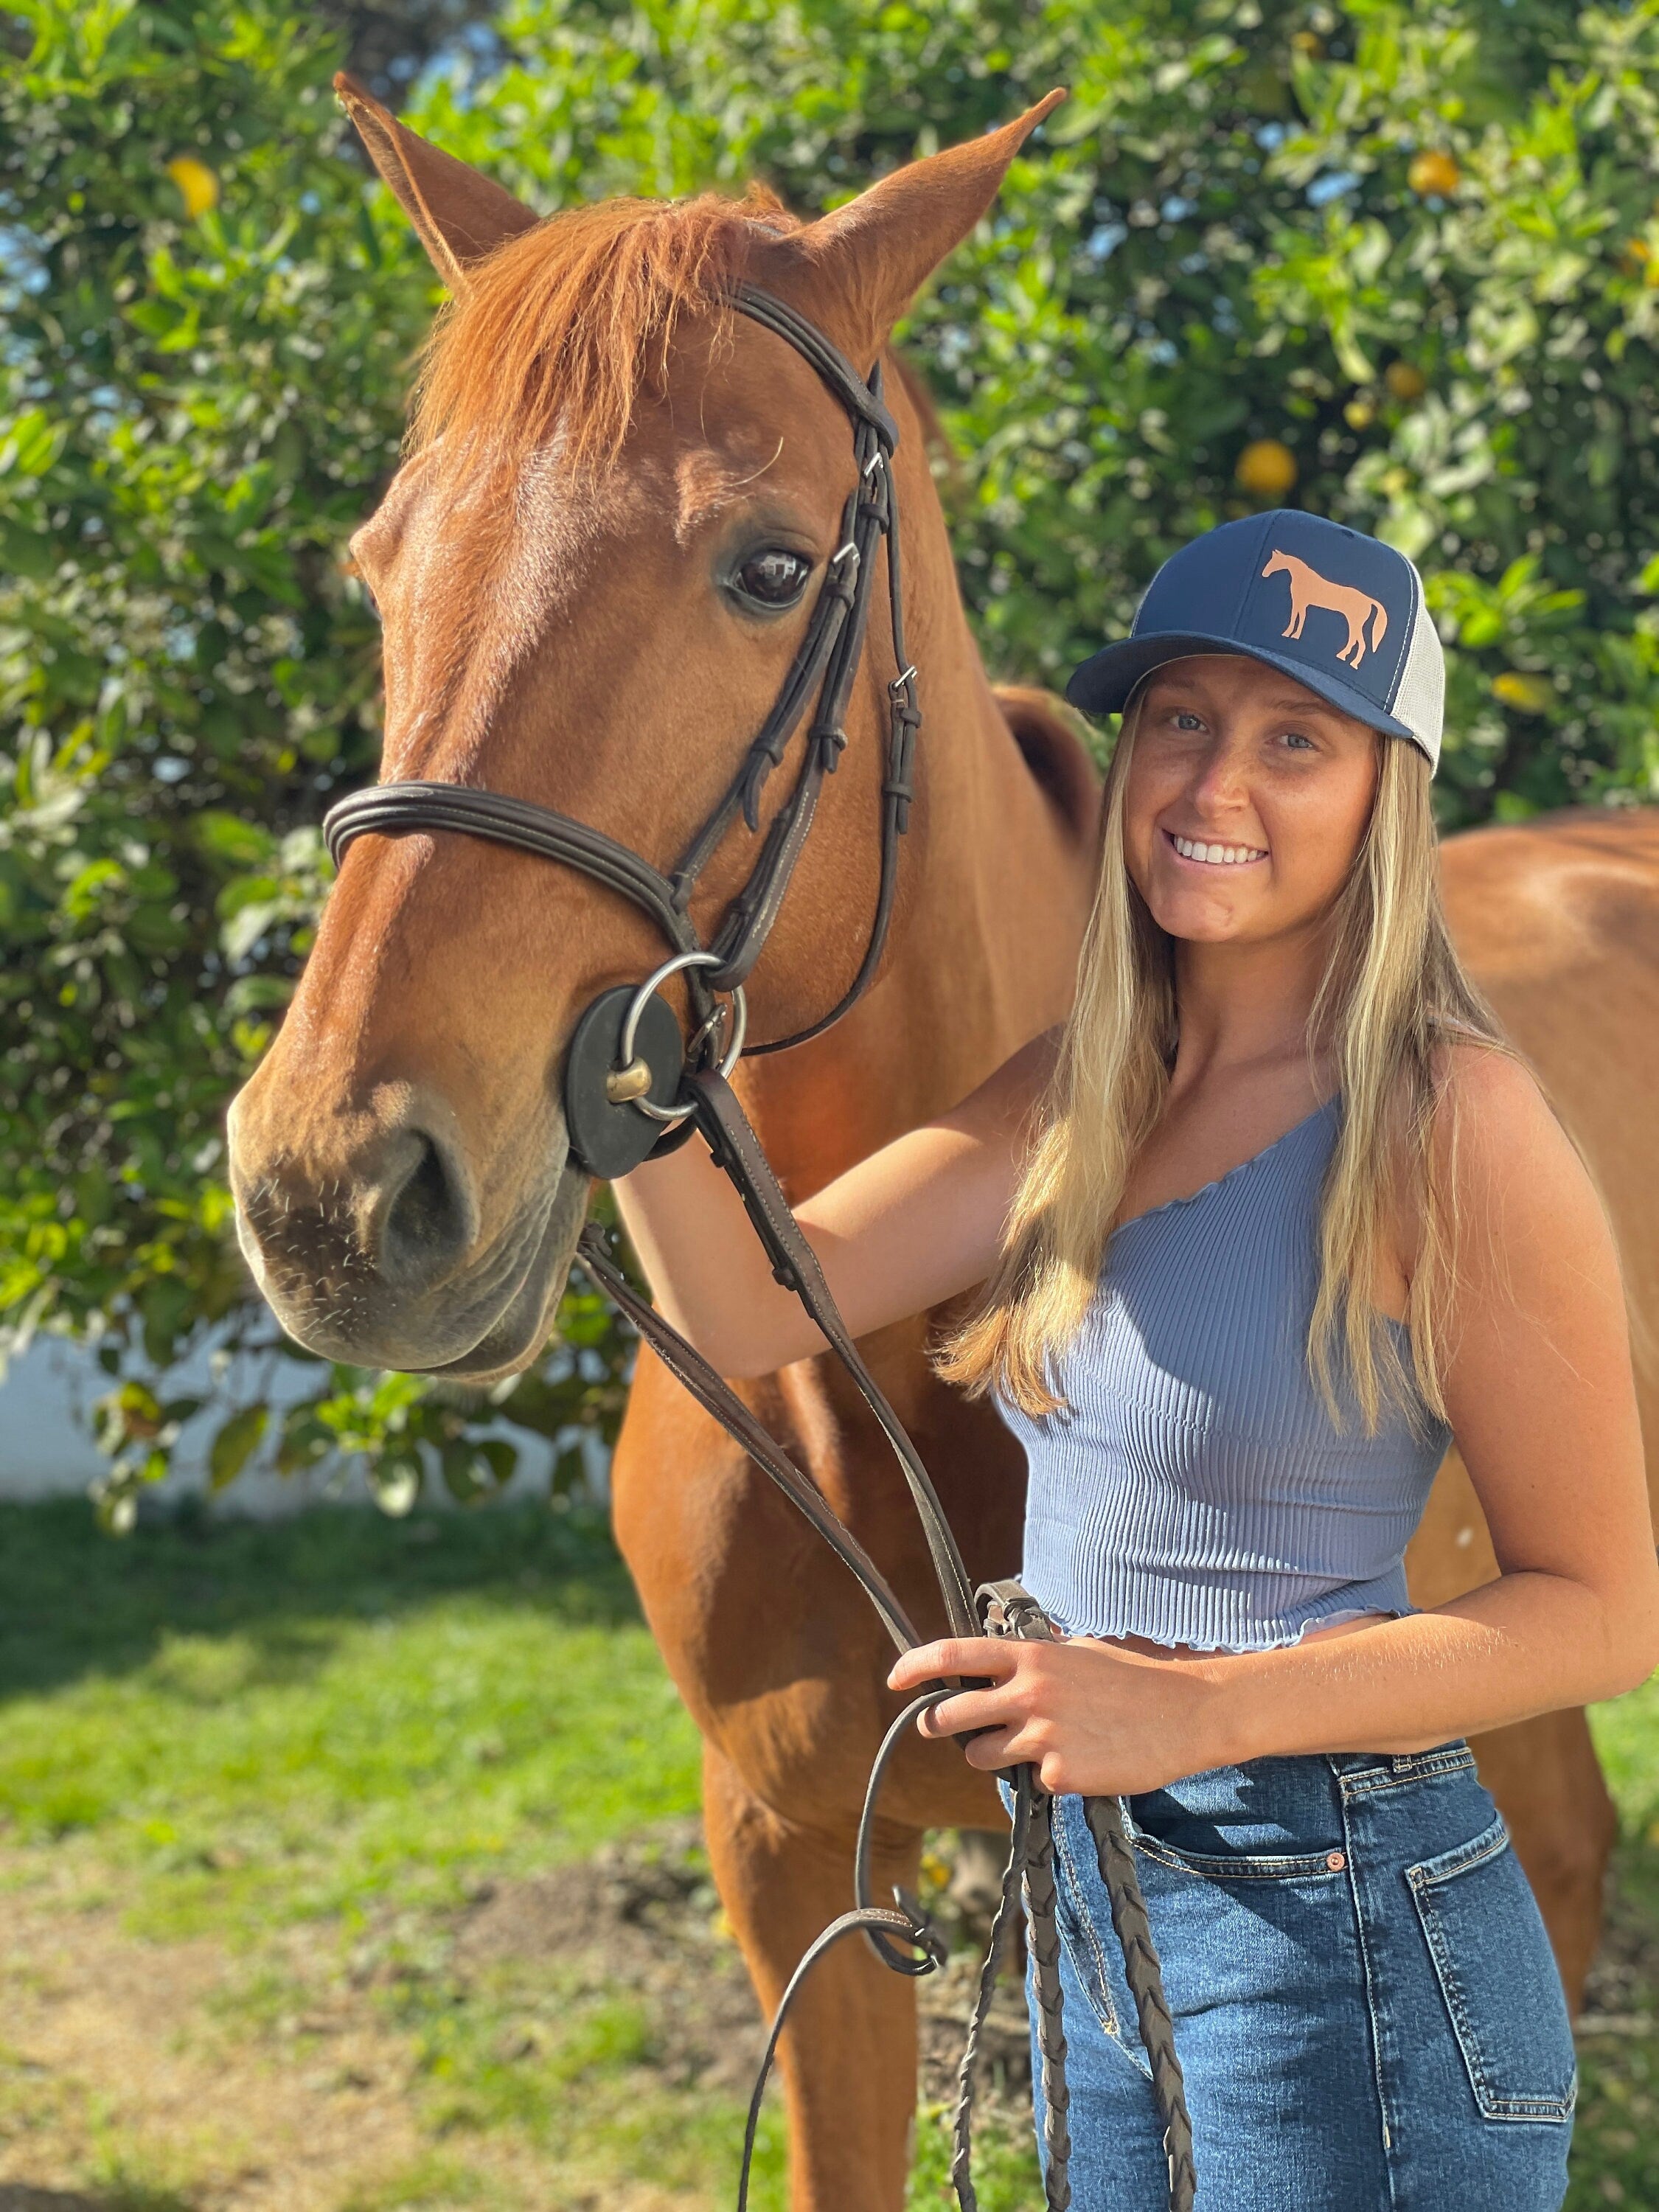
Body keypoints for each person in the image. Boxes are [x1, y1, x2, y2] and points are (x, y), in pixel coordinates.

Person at [613, 509, 1659, 2208]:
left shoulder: (1443, 1118)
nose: (1215, 781)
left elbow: (1604, 1610)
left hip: (1347, 1938)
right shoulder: (1079, 1092)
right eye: (1182, 717)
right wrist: (620, 1056)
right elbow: (754, 1305)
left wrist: (1190, 1708)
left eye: (1296, 740)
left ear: (1384, 796)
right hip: (1103, 1910)